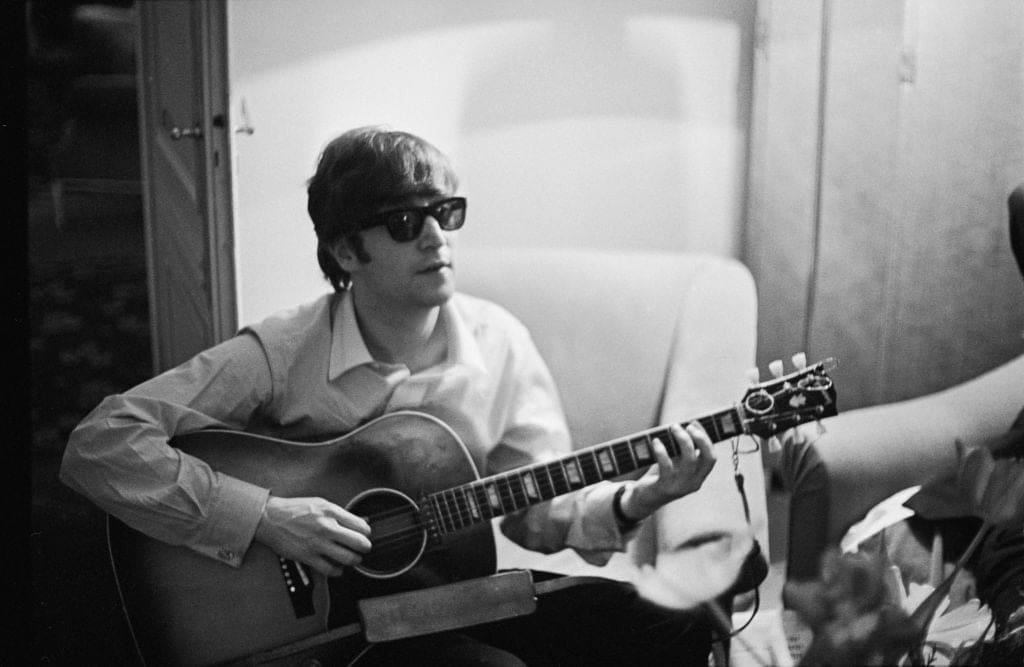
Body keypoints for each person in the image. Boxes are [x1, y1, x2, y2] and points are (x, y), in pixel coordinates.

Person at [60, 126, 721, 665]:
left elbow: (536, 511)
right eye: (405, 221)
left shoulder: (499, 342)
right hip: (337, 628)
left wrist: (638, 499)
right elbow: (100, 443)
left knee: (674, 625)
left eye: (446, 212)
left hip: (456, 597)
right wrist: (266, 517)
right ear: (347, 251)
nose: (437, 237)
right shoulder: (283, 351)